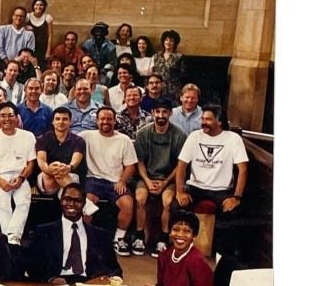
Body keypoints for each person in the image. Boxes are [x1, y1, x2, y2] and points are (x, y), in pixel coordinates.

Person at [26, 183, 122, 284]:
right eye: (67, 199)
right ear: (61, 201)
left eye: (77, 201)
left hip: (89, 284)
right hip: (55, 284)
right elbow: (32, 266)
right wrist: (50, 279)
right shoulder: (43, 231)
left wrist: (109, 280)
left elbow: (115, 269)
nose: (71, 204)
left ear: (84, 203)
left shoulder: (101, 235)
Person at [175, 103, 248, 223]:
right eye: (202, 119)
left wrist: (236, 197)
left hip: (221, 190)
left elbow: (243, 169)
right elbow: (181, 165)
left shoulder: (233, 139)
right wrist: (180, 191)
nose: (203, 122)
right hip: (195, 187)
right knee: (178, 206)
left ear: (220, 122)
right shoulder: (194, 136)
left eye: (208, 119)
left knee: (232, 211)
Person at [134, 97, 187, 257]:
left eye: (164, 112)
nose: (161, 115)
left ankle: (163, 239)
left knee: (167, 201)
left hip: (169, 178)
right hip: (147, 177)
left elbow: (180, 165)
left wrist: (165, 183)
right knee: (140, 198)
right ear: (152, 113)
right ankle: (139, 237)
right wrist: (147, 181)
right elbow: (140, 162)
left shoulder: (179, 135)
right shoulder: (143, 133)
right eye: (158, 111)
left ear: (170, 113)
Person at [81, 107, 139, 256]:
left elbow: (130, 166)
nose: (105, 122)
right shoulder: (86, 136)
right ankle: (83, 238)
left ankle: (118, 239)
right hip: (94, 179)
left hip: (115, 181)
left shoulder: (124, 140)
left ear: (114, 121)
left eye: (109, 119)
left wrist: (122, 181)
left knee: (127, 203)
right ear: (97, 121)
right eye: (102, 119)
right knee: (87, 204)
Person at [0, 102, 36, 245]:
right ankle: (9, 240)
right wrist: (1, 182)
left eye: (10, 115)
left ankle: (13, 237)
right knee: (4, 204)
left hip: (21, 176)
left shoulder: (28, 136)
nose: (7, 119)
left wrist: (21, 178)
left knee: (23, 202)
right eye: (3, 116)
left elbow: (31, 163)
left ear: (17, 117)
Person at [156, 211, 215, 286]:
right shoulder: (163, 256)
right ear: (170, 232)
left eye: (186, 231)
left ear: (194, 235)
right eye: (176, 229)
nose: (180, 234)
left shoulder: (197, 261)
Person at [36, 106, 86, 196]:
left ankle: (68, 196)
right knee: (57, 167)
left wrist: (68, 168)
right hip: (47, 177)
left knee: (61, 171)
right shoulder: (44, 139)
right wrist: (49, 169)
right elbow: (41, 160)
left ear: (70, 122)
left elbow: (75, 161)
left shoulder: (78, 141)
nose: (61, 122)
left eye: (65, 119)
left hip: (70, 174)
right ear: (52, 122)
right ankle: (77, 197)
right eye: (57, 119)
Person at [153, 29, 185, 98]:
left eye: (171, 41)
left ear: (175, 43)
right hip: (159, 88)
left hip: (173, 89)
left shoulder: (179, 57)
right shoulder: (157, 56)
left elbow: (182, 75)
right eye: (166, 40)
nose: (168, 42)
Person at [26, 0, 54, 64]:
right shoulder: (28, 16)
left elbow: (50, 35)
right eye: (37, 5)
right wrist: (25, 27)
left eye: (41, 5)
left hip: (42, 47)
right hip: (30, 46)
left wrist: (48, 51)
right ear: (33, 6)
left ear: (44, 7)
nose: (38, 7)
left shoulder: (48, 17)